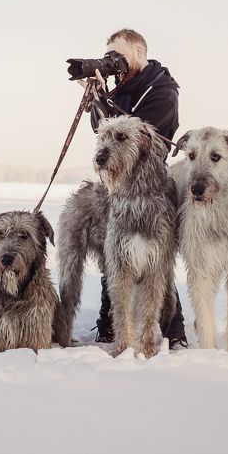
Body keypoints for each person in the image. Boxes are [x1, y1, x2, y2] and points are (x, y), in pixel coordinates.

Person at [83, 27, 188, 349]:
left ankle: (174, 329)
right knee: (115, 254)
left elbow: (139, 132)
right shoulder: (122, 88)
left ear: (139, 53)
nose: (114, 63)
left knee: (159, 262)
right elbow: (103, 130)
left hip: (152, 185)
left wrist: (106, 101)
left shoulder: (163, 91)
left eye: (119, 56)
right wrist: (98, 96)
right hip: (119, 186)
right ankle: (109, 323)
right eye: (110, 55)